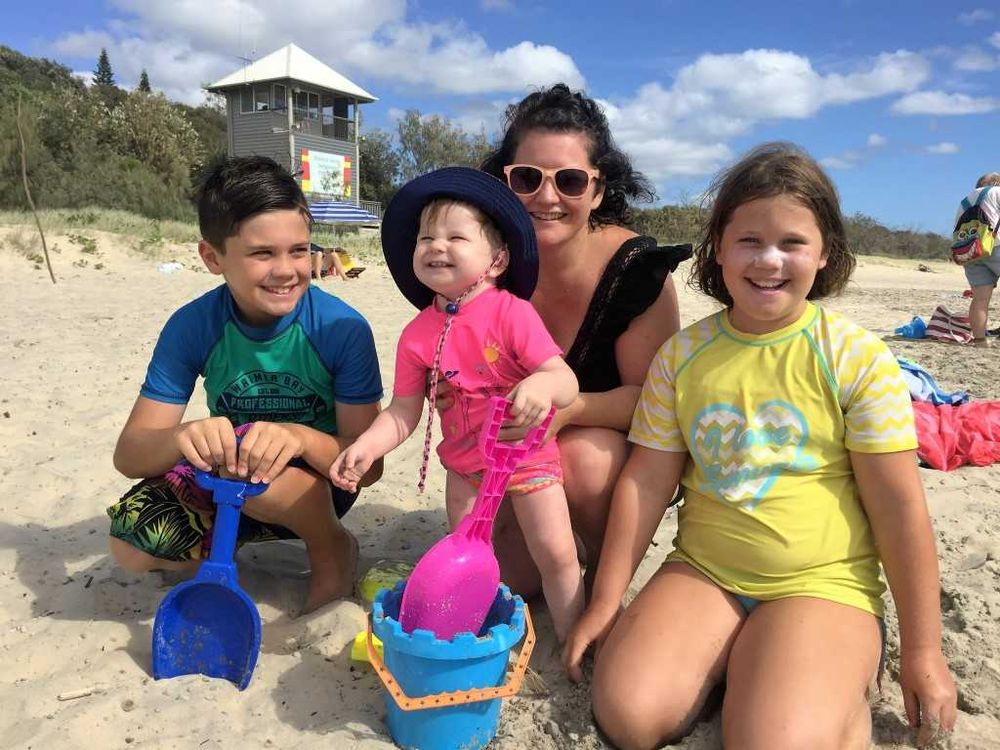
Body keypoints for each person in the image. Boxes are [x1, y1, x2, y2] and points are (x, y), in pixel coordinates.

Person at [563, 143, 958, 749]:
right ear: (717, 248)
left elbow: (900, 509)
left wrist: (924, 652)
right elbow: (646, 482)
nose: (769, 260)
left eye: (792, 243)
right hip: (705, 572)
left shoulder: (855, 358)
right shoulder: (684, 357)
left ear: (825, 253)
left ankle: (828, 687)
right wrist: (606, 599)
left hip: (824, 585)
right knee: (627, 714)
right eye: (748, 240)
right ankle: (750, 666)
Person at [108, 155, 383, 613]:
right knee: (133, 547)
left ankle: (332, 546)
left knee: (257, 461)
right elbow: (130, 454)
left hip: (318, 488)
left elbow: (367, 469)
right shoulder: (193, 325)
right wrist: (183, 435)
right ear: (212, 258)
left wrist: (298, 438)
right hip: (226, 480)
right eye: (262, 253)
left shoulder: (340, 329)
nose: (287, 270)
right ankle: (225, 542)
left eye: (299, 250)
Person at [329, 167, 584, 640]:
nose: (435, 246)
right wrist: (367, 446)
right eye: (425, 237)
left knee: (557, 554)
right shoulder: (417, 334)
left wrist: (541, 386)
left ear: (498, 259)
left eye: (455, 236)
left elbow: (564, 380)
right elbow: (405, 412)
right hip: (465, 468)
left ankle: (571, 642)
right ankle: (473, 636)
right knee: (469, 553)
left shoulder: (512, 313)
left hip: (526, 460)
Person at [471, 83, 691, 597]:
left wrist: (565, 412)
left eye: (569, 181)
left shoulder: (637, 273)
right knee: (515, 582)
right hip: (517, 450)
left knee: (585, 461)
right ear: (502, 182)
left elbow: (653, 402)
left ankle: (601, 575)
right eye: (527, 178)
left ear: (596, 190)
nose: (547, 197)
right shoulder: (483, 266)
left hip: (606, 451)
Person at [958, 172, 1000, 347]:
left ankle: (980, 341)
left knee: (980, 299)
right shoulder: (996, 192)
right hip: (995, 245)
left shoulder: (965, 200)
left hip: (971, 252)